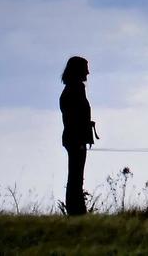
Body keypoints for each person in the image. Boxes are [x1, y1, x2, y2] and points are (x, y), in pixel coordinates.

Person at [59, 56, 97, 216]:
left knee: (75, 175)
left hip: (72, 138)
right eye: (85, 68)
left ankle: (76, 210)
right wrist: (81, 136)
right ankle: (76, 211)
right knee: (76, 176)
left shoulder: (70, 89)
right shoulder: (76, 89)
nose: (88, 72)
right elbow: (76, 117)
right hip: (76, 139)